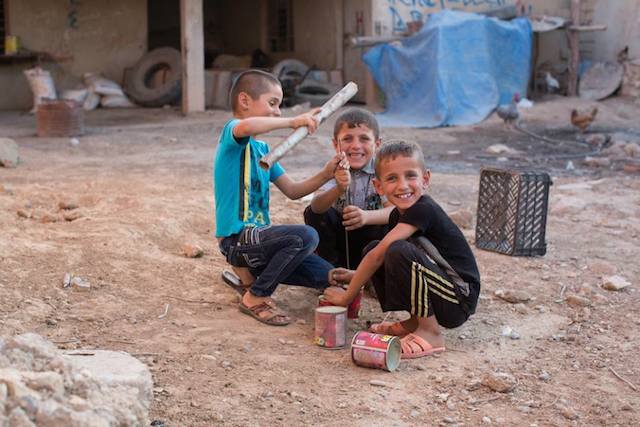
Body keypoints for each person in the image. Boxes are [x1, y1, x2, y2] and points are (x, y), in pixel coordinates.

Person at [324, 140, 480, 358]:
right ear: (378, 187)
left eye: (410, 176)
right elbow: (381, 254)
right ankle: (415, 322)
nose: (402, 185)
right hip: (444, 291)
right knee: (378, 247)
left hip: (459, 299)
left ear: (425, 179)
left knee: (395, 251)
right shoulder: (399, 214)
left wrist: (346, 297)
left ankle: (430, 332)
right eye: (391, 178)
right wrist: (355, 275)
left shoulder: (423, 209)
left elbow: (380, 257)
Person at [214, 69, 342, 326]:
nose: (278, 111)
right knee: (305, 236)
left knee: (329, 275)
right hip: (236, 241)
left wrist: (327, 174)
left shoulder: (263, 150)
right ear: (245, 101)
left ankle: (249, 279)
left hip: (258, 243)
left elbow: (293, 190)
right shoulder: (233, 135)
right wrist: (295, 121)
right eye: (272, 103)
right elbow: (248, 126)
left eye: (280, 106)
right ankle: (255, 296)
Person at [304, 108, 392, 269]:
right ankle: (331, 270)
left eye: (364, 139)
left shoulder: (382, 170)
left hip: (371, 245)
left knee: (395, 221)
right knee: (311, 212)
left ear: (377, 144)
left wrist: (366, 216)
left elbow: (393, 210)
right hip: (340, 242)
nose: (356, 146)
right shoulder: (333, 168)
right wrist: (338, 188)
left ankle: (376, 273)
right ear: (335, 144)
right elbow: (316, 208)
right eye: (347, 139)